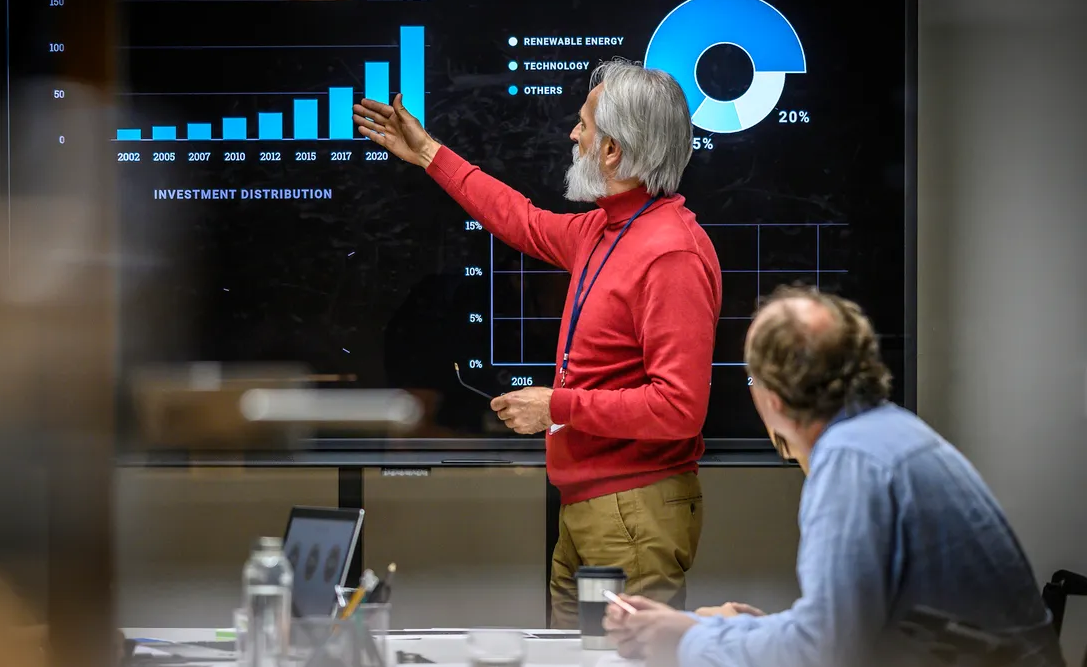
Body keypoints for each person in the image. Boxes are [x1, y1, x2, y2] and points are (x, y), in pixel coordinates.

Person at [353, 58, 721, 628]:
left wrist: (556, 405)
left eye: (584, 126)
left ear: (613, 152)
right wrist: (429, 153)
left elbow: (678, 408)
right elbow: (519, 219)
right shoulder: (606, 228)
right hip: (591, 506)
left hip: (632, 510)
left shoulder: (671, 253)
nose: (572, 135)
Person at [604, 285, 1065, 667]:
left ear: (775, 402)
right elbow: (843, 632)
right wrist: (719, 629)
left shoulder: (850, 462)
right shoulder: (890, 433)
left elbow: (826, 653)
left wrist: (688, 643)